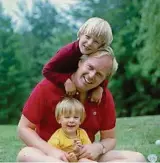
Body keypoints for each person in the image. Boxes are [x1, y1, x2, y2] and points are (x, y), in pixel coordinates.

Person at [17, 47, 146, 162]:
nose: (91, 76)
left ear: (104, 80)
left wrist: (98, 147)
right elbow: (24, 128)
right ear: (80, 62)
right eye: (90, 67)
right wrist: (52, 152)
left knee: (137, 159)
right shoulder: (47, 87)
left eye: (99, 74)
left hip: (85, 158)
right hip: (51, 156)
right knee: (25, 154)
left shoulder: (104, 97)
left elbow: (110, 138)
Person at [42, 17, 113, 104]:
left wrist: (101, 88)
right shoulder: (67, 52)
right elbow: (46, 70)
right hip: (60, 89)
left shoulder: (95, 55)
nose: (89, 43)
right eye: (87, 37)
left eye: (96, 42)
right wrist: (65, 81)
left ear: (101, 46)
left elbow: (105, 72)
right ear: (80, 34)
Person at [48, 97, 94, 162]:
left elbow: (89, 151)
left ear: (80, 120)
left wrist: (79, 151)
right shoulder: (57, 137)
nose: (71, 120)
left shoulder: (82, 133)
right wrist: (70, 157)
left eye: (75, 117)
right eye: (67, 117)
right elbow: (53, 154)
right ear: (59, 119)